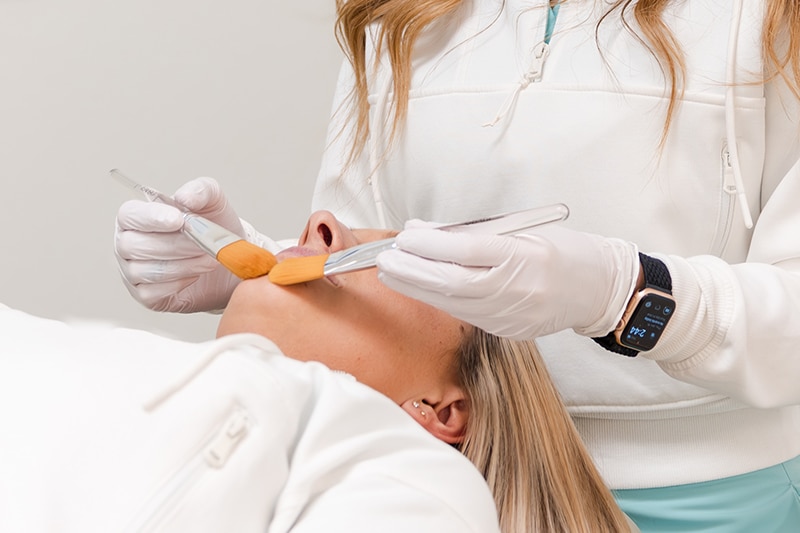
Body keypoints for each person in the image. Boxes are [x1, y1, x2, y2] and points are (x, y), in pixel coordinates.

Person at [113, 1, 800, 530]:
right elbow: (366, 249)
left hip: (707, 500)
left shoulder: (771, 19)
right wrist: (260, 275)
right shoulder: (401, 13)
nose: (317, 225)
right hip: (430, 481)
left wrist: (627, 296)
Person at [5, 210, 633, 532]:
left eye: (404, 257)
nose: (319, 223)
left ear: (441, 409)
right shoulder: (119, 362)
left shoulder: (417, 495)